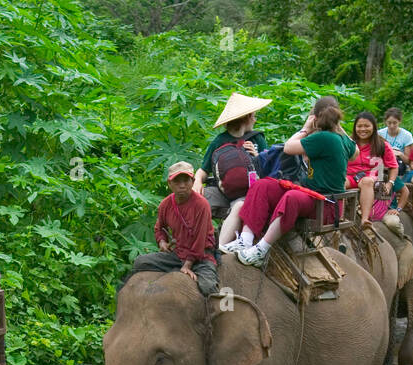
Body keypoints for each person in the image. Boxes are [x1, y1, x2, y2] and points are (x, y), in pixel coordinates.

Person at [223, 97, 354, 267]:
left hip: (324, 204)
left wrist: (305, 129)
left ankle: (261, 249)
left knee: (291, 197)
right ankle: (245, 239)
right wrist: (338, 127)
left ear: (314, 117)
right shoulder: (343, 139)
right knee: (263, 185)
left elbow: (288, 148)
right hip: (314, 195)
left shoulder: (323, 137)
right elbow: (355, 151)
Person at [131, 161, 219, 296]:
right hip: (178, 254)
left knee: (208, 287)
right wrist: (162, 242)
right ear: (169, 183)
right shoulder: (165, 204)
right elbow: (159, 228)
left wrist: (187, 265)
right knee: (139, 262)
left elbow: (199, 241)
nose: (182, 185)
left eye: (186, 181)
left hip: (201, 256)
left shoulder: (201, 205)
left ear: (193, 181)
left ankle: (214, 314)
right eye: (177, 181)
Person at [194, 92, 271, 224]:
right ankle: (199, 240)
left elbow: (270, 167)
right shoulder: (219, 141)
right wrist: (197, 182)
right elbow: (204, 170)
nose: (255, 120)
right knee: (194, 202)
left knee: (239, 207)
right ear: (246, 117)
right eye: (253, 116)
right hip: (223, 192)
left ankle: (230, 240)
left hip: (251, 192)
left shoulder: (257, 138)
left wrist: (258, 156)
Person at [346, 111, 398, 226]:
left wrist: (390, 183)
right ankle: (338, 217)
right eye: (359, 126)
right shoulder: (349, 143)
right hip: (349, 177)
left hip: (371, 176)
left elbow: (393, 167)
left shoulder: (381, 144)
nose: (362, 129)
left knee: (367, 182)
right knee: (338, 182)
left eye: (366, 126)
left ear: (373, 127)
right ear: (355, 128)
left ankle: (365, 219)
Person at [382, 107, 413, 212]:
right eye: (389, 123)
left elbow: (408, 160)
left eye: (394, 123)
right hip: (383, 164)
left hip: (400, 166)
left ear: (399, 121)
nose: (391, 126)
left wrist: (399, 153)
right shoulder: (380, 134)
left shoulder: (407, 136)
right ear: (385, 122)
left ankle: (395, 205)